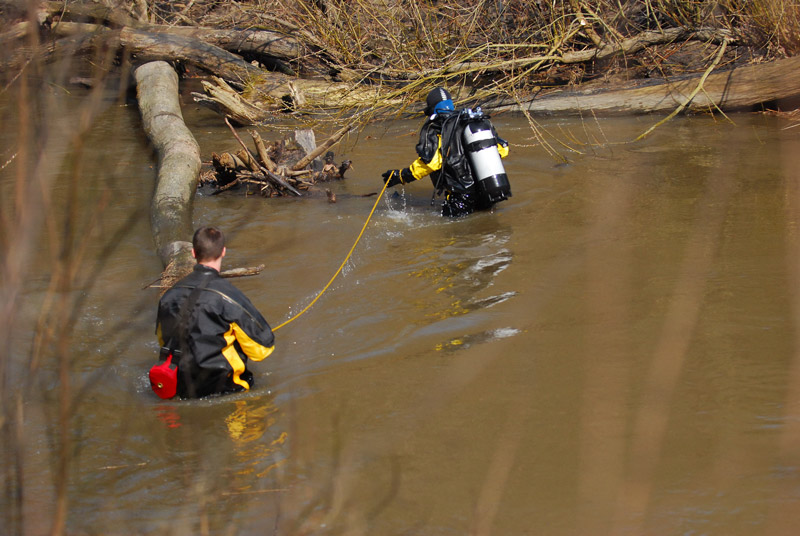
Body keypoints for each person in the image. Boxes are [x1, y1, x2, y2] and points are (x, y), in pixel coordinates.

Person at [153, 226, 275, 399]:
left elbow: (162, 340)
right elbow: (262, 350)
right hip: (226, 389)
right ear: (223, 252)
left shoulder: (169, 296)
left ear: (193, 253)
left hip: (180, 388)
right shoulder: (230, 297)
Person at [381, 87, 512, 217]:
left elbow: (432, 163)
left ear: (431, 107)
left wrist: (402, 176)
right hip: (487, 190)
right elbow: (503, 150)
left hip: (461, 195)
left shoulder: (437, 126)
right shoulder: (472, 120)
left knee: (452, 234)